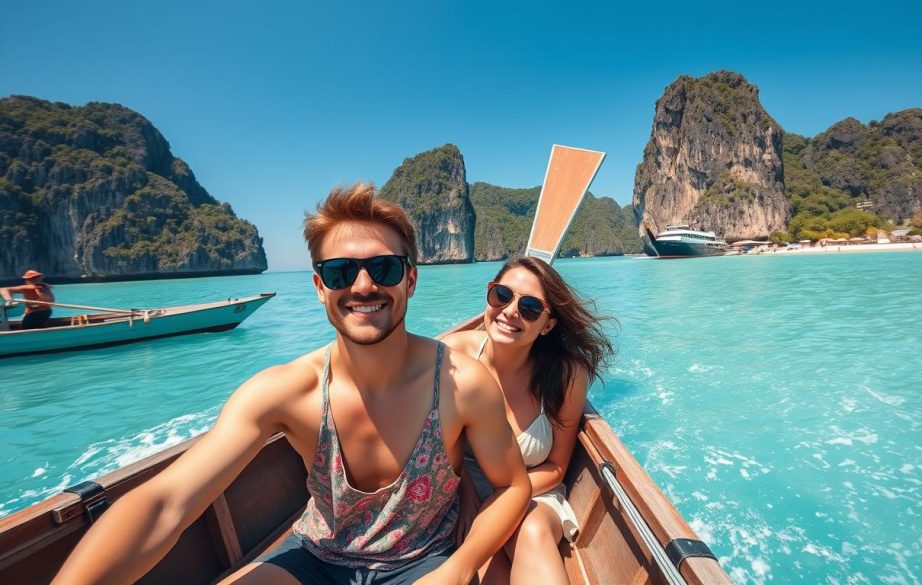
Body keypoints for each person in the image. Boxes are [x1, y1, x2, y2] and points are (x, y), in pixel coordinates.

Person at [53, 183, 531, 585]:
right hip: (318, 556)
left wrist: (460, 566)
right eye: (341, 271)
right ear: (320, 286)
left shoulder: (463, 384)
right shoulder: (283, 391)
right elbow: (165, 504)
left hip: (422, 561)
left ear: (410, 280)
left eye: (383, 268)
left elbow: (513, 486)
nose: (363, 285)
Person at [442, 257, 613, 585]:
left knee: (531, 528)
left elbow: (556, 467)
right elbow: (439, 447)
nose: (510, 311)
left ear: (547, 324)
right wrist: (467, 495)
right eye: (502, 295)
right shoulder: (453, 356)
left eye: (531, 307)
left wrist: (502, 497)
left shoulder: (567, 376)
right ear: (489, 297)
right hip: (462, 499)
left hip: (536, 492)